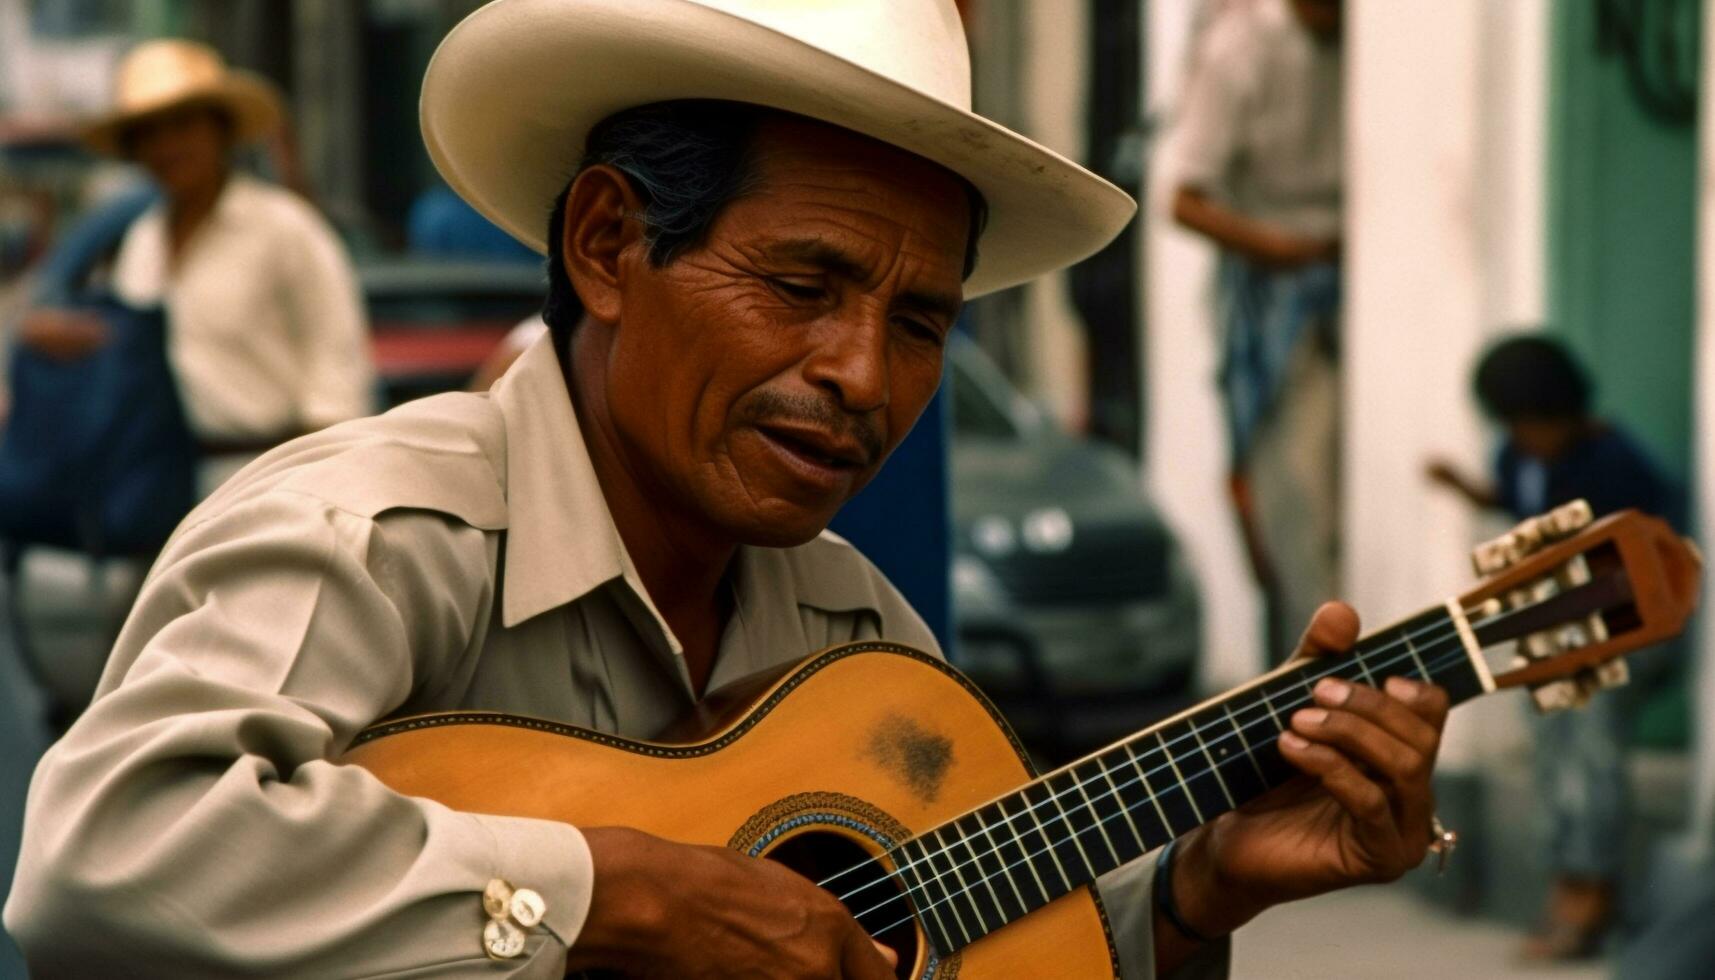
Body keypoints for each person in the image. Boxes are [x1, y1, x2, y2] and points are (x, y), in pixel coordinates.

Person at [6, 2, 1448, 977]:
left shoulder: (860, 642)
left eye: (923, 321)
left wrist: (1197, 890)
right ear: (605, 245)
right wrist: (621, 892)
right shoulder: (374, 540)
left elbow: (942, 931)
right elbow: (100, 857)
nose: (863, 376)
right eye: (802, 285)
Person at [24, 39, 374, 493]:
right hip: (159, 487)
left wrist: (307, 492)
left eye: (183, 125)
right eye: (148, 132)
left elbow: (337, 375)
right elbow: (136, 355)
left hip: (268, 482)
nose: (166, 145)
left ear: (221, 130)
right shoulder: (142, 239)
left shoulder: (285, 229)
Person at [1427, 334, 1677, 961]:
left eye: (1537, 424)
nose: (1528, 438)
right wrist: (1467, 489)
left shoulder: (1614, 462)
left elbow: (1644, 561)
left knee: (1589, 746)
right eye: (1516, 426)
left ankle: (1589, 892)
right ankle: (1568, 882)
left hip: (1625, 630)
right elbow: (1522, 509)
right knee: (1551, 748)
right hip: (1559, 634)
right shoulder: (1516, 456)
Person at [1171, 0, 1343, 658]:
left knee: (1330, 508)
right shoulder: (1240, 49)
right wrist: (1284, 249)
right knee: (1287, 503)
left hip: (1345, 289)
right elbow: (1183, 198)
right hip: (1276, 304)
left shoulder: (1361, 47)